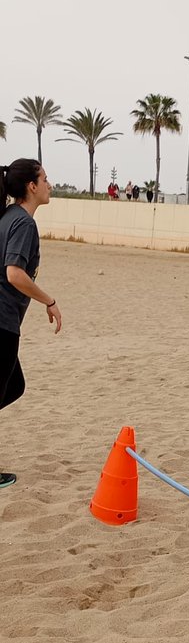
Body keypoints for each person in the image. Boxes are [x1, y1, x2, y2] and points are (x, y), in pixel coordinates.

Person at [0, 160, 62, 488]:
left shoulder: (8, 216)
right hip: (3, 321)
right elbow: (14, 273)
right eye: (45, 179)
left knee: (15, 385)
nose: (49, 184)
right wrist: (48, 300)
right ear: (32, 187)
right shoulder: (23, 223)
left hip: (5, 321)